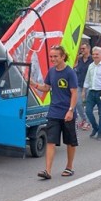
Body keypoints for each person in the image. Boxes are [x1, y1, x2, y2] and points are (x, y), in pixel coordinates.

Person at [29, 45, 78, 180]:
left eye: (55, 56)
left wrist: (70, 110)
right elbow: (46, 88)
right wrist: (33, 84)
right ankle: (47, 171)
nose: (53, 59)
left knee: (70, 142)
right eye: (51, 56)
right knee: (50, 141)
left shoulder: (70, 73)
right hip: (54, 112)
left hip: (67, 113)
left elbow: (74, 93)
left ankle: (69, 167)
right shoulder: (51, 71)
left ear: (63, 57)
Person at [83, 46, 101, 140]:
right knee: (88, 111)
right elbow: (87, 79)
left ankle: (100, 133)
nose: (95, 56)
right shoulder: (90, 66)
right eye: (93, 54)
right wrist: (83, 91)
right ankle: (95, 127)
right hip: (91, 92)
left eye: (97, 54)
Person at [73, 42, 92, 131]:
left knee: (88, 104)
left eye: (83, 49)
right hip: (79, 84)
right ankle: (84, 118)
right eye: (81, 49)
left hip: (89, 85)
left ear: (88, 49)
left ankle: (87, 122)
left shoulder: (92, 59)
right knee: (78, 103)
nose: (82, 50)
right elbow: (74, 69)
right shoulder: (79, 59)